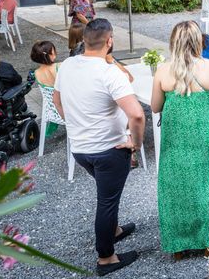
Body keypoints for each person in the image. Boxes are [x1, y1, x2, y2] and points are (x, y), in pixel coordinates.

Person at [53, 18, 145, 276]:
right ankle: (106, 258)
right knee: (106, 201)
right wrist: (134, 143)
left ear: (84, 40)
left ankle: (113, 230)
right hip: (109, 150)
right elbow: (137, 115)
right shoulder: (109, 73)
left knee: (107, 195)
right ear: (110, 41)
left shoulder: (68, 64)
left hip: (80, 149)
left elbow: (57, 99)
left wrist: (74, 123)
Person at [151, 21, 209, 259]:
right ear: (198, 41)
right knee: (203, 189)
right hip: (205, 137)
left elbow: (154, 107)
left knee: (173, 190)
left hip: (175, 140)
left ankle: (178, 245)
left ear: (173, 41)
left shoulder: (163, 70)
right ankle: (203, 240)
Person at [30, 40, 61, 137]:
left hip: (52, 109)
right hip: (65, 106)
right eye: (53, 51)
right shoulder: (58, 67)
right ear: (49, 54)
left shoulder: (36, 73)